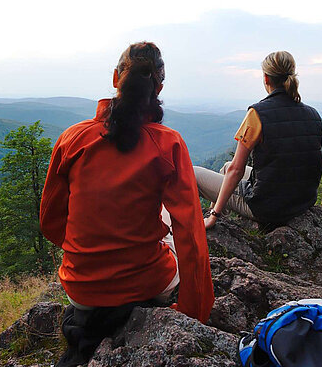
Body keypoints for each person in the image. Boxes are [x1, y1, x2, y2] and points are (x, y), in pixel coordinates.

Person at [40, 42, 214, 366]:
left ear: (116, 78)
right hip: (145, 283)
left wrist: (92, 251)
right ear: (159, 87)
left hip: (80, 289)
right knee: (169, 231)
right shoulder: (168, 143)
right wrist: (194, 312)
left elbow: (51, 222)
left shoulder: (72, 139)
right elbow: (190, 234)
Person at [194, 51, 322, 230]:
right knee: (225, 167)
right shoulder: (313, 115)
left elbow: (237, 170)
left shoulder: (257, 114)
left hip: (268, 208)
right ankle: (223, 223)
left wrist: (214, 214)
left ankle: (213, 220)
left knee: (193, 173)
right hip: (302, 202)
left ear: (266, 78)